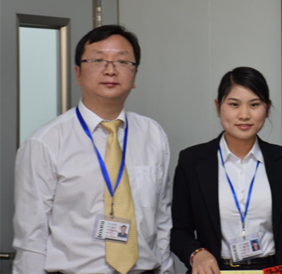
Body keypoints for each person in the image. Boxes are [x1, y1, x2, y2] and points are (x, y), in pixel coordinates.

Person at [13, 25, 174, 274]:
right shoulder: (45, 142)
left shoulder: (153, 134)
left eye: (122, 61)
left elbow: (163, 220)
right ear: (78, 73)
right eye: (98, 60)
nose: (110, 70)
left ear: (134, 75)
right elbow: (31, 240)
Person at [171, 67, 282, 274]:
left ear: (267, 108)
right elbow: (179, 231)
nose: (244, 115)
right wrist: (196, 253)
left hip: (273, 269)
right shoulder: (192, 161)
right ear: (218, 106)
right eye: (234, 104)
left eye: (254, 105)